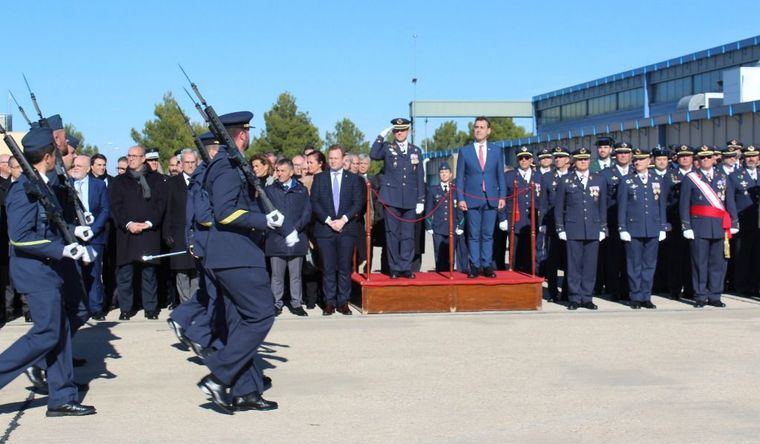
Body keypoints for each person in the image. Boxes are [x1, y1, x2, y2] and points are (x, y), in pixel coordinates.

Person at [0, 127, 96, 416]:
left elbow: (50, 223)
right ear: (47, 156)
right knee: (46, 333)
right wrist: (62, 250)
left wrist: (74, 231)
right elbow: (20, 236)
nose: (58, 156)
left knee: (61, 330)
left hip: (48, 271)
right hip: (35, 273)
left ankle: (61, 395)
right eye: (54, 152)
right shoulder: (23, 190)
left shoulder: (41, 184)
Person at [197, 111, 281, 413]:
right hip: (237, 257)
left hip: (230, 256)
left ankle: (246, 390)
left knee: (239, 324)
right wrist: (264, 220)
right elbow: (224, 212)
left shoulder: (229, 165)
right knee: (261, 315)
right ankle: (219, 374)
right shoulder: (228, 168)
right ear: (242, 135)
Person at [109, 146, 168, 320]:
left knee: (149, 273)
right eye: (130, 156)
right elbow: (116, 206)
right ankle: (126, 308)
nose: (132, 158)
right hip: (126, 233)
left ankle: (150, 308)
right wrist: (128, 223)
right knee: (125, 273)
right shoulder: (119, 182)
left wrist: (148, 223)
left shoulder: (157, 180)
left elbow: (160, 204)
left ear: (144, 159)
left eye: (136, 156)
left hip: (148, 233)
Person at [679, 145, 738, 308]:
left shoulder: (723, 177)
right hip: (699, 225)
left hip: (719, 226)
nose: (705, 160)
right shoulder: (691, 177)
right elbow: (684, 204)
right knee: (699, 262)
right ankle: (700, 295)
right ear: (697, 160)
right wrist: (686, 226)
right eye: (702, 158)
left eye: (708, 157)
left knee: (718, 263)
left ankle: (715, 295)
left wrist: (734, 222)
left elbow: (730, 201)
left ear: (714, 159)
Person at [311, 145, 366, 315]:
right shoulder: (319, 178)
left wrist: (343, 220)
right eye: (331, 158)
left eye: (336, 158)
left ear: (344, 160)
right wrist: (328, 221)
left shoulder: (354, 180)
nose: (333, 161)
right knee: (328, 268)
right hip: (325, 230)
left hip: (346, 229)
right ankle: (329, 302)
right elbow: (314, 202)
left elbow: (358, 203)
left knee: (344, 267)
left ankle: (343, 302)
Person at [370, 118, 425, 279]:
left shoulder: (416, 150)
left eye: (402, 130)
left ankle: (405, 267)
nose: (399, 133)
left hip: (410, 199)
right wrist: (381, 136)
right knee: (392, 234)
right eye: (396, 130)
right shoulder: (387, 148)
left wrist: (421, 199)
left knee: (408, 235)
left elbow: (419, 176)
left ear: (408, 131)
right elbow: (373, 154)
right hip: (391, 198)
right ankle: (394, 268)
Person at [555, 147, 607, 310]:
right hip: (573, 228)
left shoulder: (598, 179)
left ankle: (587, 297)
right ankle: (575, 298)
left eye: (585, 159)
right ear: (574, 162)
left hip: (592, 227)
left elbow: (602, 206)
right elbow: (558, 207)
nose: (583, 162)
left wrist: (603, 228)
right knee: (574, 265)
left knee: (590, 266)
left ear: (589, 161)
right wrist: (560, 228)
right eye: (579, 159)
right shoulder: (566, 180)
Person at [456, 116, 507, 278]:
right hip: (471, 199)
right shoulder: (465, 151)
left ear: (488, 131)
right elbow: (459, 178)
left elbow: (501, 176)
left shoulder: (497, 151)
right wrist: (461, 198)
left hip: (491, 198)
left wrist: (502, 196)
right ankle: (474, 265)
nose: (478, 130)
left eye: (482, 127)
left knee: (487, 234)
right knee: (473, 234)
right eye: (476, 127)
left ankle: (486, 265)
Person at [617, 148, 667, 309]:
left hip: (652, 227)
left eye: (642, 159)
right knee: (634, 265)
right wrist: (622, 228)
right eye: (636, 160)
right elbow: (622, 206)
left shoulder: (657, 179)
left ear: (649, 161)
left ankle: (646, 296)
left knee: (649, 265)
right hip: (633, 228)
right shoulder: (627, 180)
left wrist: (662, 227)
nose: (638, 162)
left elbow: (661, 206)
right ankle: (636, 296)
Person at [265, 159, 311, 316]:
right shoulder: (270, 190)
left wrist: (294, 230)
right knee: (277, 276)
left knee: (295, 275)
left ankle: (296, 303)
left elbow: (307, 213)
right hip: (277, 239)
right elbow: (267, 213)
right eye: (277, 170)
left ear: (291, 172)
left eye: (283, 171)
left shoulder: (301, 190)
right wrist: (283, 230)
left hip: (296, 238)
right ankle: (276, 304)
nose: (279, 174)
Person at [69, 155, 111, 320]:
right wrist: (75, 230)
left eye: (79, 165)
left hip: (94, 237)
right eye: (74, 165)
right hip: (73, 237)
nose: (75, 168)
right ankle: (77, 307)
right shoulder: (66, 185)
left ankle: (96, 308)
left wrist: (93, 230)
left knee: (94, 273)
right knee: (74, 273)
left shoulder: (99, 185)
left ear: (88, 168)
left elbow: (105, 210)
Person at [600, 142, 634, 301]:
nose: (623, 156)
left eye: (626, 153)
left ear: (631, 155)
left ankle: (628, 289)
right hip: (612, 220)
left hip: (633, 221)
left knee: (631, 257)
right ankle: (614, 290)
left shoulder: (636, 171)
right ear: (615, 155)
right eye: (620, 153)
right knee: (613, 258)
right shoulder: (606, 173)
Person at [166, 149, 200, 304]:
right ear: (181, 164)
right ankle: (186, 305)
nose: (190, 166)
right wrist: (167, 233)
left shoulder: (202, 180)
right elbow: (167, 210)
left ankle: (195, 304)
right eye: (187, 162)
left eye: (193, 162)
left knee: (197, 271)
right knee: (182, 272)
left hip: (199, 234)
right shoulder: (172, 183)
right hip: (179, 235)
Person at [539, 146, 571, 302]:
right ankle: (552, 292)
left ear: (567, 160)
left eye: (561, 157)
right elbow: (543, 203)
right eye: (556, 157)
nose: (557, 159)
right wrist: (542, 223)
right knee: (552, 260)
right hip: (552, 223)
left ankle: (566, 292)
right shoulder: (547, 177)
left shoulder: (573, 176)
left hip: (571, 224)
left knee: (568, 260)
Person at [502, 146, 541, 273]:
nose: (524, 160)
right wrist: (502, 218)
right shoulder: (509, 176)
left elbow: (542, 200)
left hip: (532, 221)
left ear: (531, 160)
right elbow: (502, 198)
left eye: (527, 157)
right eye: (521, 158)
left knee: (531, 254)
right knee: (514, 254)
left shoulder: (539, 176)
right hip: (514, 221)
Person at [664, 145, 695, 299]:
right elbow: (663, 200)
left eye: (688, 156)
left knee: (692, 257)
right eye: (682, 156)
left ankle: (690, 289)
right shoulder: (670, 175)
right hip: (675, 221)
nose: (684, 158)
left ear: (692, 158)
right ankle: (675, 290)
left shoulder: (698, 175)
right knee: (676, 257)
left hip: (695, 221)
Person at [729, 144, 760, 296]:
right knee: (743, 255)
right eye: (748, 156)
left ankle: (757, 285)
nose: (751, 159)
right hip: (743, 222)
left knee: (758, 256)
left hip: (758, 223)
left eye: (754, 156)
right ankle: (742, 286)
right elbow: (730, 200)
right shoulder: (735, 176)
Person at [425, 163, 466, 272]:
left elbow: (460, 209)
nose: (444, 175)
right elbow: (429, 209)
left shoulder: (456, 190)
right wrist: (428, 225)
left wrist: (461, 225)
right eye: (442, 172)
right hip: (438, 227)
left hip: (453, 227)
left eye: (446, 172)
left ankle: (450, 275)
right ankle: (440, 277)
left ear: (451, 174)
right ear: (439, 174)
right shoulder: (433, 190)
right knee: (439, 256)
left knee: (451, 256)